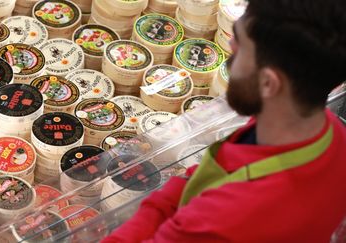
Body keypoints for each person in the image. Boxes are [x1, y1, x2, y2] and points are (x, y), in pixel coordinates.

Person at [102, 0, 346, 242]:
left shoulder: (224, 219)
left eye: (239, 45)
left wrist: (158, 207)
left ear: (268, 83)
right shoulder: (332, 133)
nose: (229, 45)